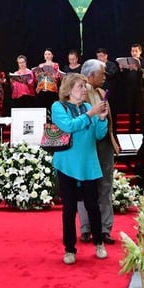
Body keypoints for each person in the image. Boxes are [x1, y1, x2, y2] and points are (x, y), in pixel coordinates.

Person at [51, 72, 110, 265]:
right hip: (67, 164)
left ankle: (99, 243)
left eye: (85, 86)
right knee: (69, 208)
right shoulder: (58, 107)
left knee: (93, 206)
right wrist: (91, 114)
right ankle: (69, 249)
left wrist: (101, 119)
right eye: (80, 87)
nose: (84, 90)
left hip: (88, 164)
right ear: (68, 90)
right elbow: (68, 126)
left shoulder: (86, 107)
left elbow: (99, 135)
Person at [77, 59, 122, 245]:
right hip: (87, 144)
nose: (105, 77)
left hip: (104, 144)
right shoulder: (78, 92)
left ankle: (104, 229)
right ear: (91, 75)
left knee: (105, 187)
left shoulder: (102, 92)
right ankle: (86, 228)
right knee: (85, 187)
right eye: (102, 73)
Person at [118, 43, 144, 133]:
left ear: (140, 52)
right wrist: (121, 69)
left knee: (141, 112)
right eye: (132, 51)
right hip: (129, 90)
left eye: (136, 51)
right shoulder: (128, 61)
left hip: (140, 89)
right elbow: (123, 78)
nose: (134, 53)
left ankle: (143, 130)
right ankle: (131, 130)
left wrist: (137, 69)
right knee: (131, 111)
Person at [95, 48, 121, 121]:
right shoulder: (96, 66)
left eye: (101, 56)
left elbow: (110, 74)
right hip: (100, 91)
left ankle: (113, 130)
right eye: (98, 56)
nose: (99, 58)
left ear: (106, 56)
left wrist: (102, 68)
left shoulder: (112, 65)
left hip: (110, 92)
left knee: (111, 111)